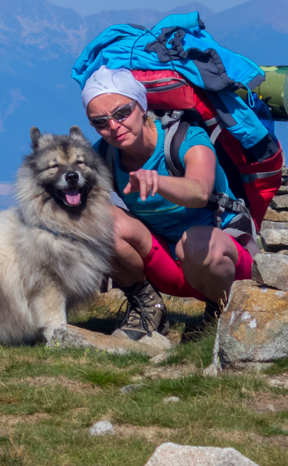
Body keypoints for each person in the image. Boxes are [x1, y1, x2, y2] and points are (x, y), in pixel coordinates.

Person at [81, 66, 257, 341]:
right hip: (166, 264)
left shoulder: (187, 139)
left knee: (196, 241)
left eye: (122, 113)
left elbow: (200, 192)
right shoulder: (104, 155)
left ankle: (220, 312)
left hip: (223, 264)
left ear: (141, 106)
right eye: (100, 122)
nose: (113, 127)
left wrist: (159, 182)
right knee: (96, 219)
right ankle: (148, 306)